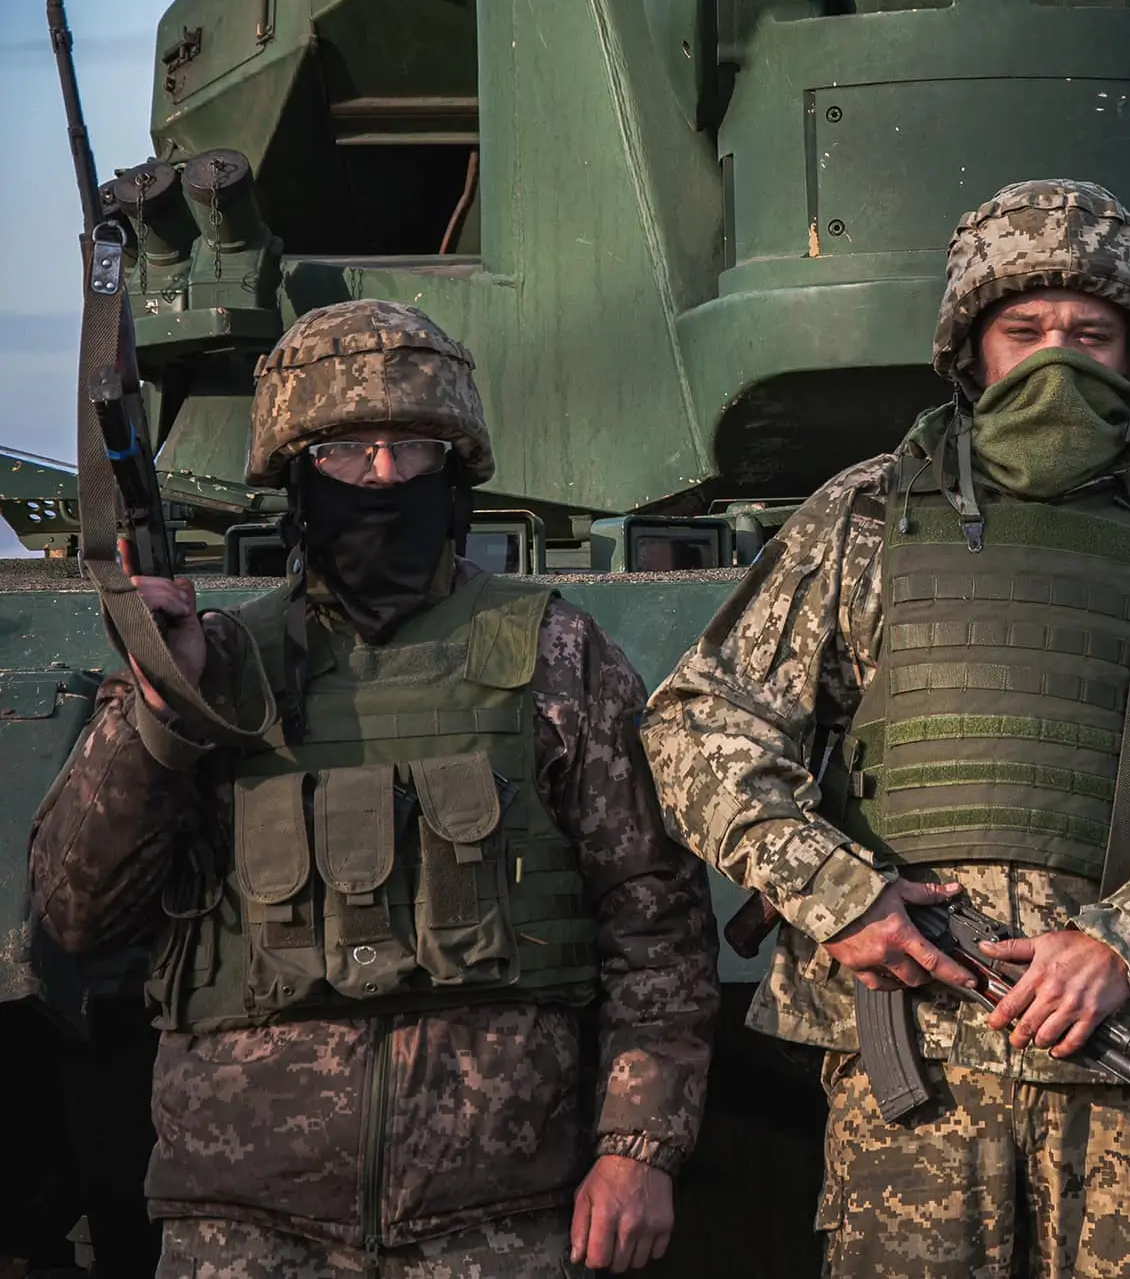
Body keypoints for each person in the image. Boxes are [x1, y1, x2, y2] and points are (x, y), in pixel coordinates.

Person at [641, 178, 1130, 1278]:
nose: (1057, 357)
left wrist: (1125, 936)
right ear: (970, 351)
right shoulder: (860, 519)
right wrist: (836, 893)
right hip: (907, 1061)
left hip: (1124, 1049)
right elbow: (699, 723)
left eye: (1090, 334)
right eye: (1025, 331)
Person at [31, 300, 721, 1277]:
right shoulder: (217, 666)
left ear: (456, 471)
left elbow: (654, 916)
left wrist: (636, 1147)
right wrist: (162, 703)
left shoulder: (553, 652)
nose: (385, 475)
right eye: (348, 452)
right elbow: (75, 907)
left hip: (497, 1218)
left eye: (412, 447)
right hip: (243, 1222)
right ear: (296, 478)